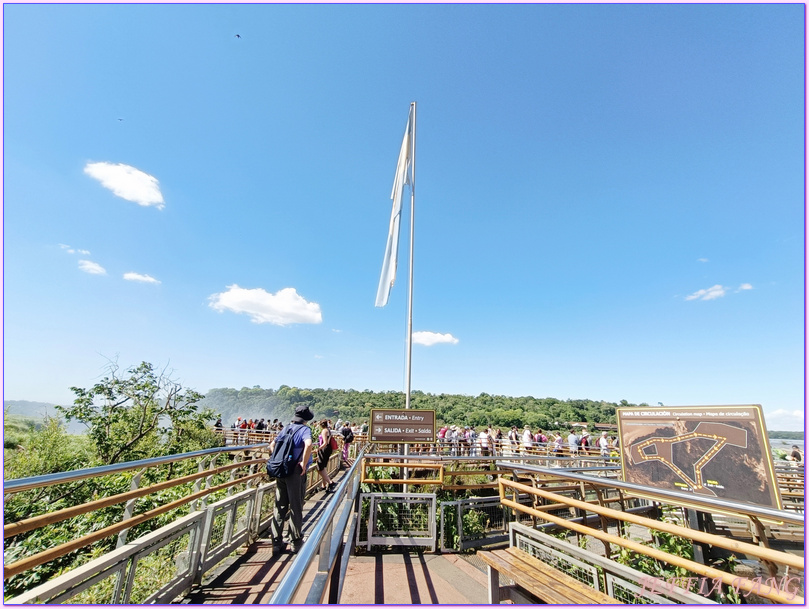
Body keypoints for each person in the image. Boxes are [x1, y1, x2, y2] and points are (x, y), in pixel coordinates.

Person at [269, 404, 314, 556]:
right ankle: (295, 541)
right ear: (306, 419)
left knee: (279, 505)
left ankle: (276, 542)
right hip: (295, 472)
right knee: (295, 506)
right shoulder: (304, 430)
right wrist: (303, 462)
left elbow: (272, 445)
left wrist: (278, 460)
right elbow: (308, 444)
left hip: (281, 471)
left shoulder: (286, 428)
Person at [316, 420, 337, 493]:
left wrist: (319, 448)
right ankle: (323, 485)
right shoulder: (328, 430)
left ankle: (330, 482)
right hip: (328, 449)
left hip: (324, 449)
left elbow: (325, 442)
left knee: (319, 468)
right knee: (323, 467)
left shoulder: (324, 431)